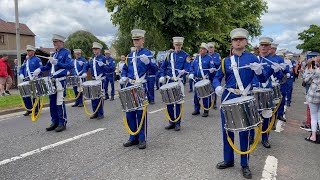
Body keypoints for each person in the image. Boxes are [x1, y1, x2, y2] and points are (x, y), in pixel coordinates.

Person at [213, 28, 269, 179]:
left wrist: (258, 72)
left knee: (245, 132)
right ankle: (229, 159)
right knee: (227, 131)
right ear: (232, 43)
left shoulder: (253, 58)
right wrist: (217, 86)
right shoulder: (225, 61)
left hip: (245, 98)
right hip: (228, 98)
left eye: (240, 40)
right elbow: (217, 77)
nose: (238, 42)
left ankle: (245, 163)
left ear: (245, 42)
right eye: (235, 40)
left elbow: (263, 80)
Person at [120, 29, 157, 149]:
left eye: (138, 39)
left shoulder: (148, 54)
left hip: (141, 85)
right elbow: (125, 69)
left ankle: (142, 139)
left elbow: (155, 70)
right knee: (130, 113)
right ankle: (133, 137)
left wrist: (149, 63)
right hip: (130, 86)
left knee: (140, 113)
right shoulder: (130, 55)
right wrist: (123, 76)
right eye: (134, 39)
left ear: (143, 40)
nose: (136, 41)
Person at [33, 34, 73, 132]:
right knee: (52, 102)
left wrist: (57, 63)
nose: (54, 43)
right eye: (53, 42)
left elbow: (69, 65)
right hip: (52, 81)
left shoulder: (66, 52)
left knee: (59, 101)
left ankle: (62, 122)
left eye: (56, 42)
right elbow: (47, 67)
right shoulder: (53, 54)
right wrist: (39, 69)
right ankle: (54, 121)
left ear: (61, 42)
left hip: (60, 81)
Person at [249, 37, 283, 148]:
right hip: (254, 89)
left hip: (267, 90)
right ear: (259, 47)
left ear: (270, 48)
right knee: (252, 114)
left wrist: (278, 71)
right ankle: (251, 136)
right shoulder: (253, 59)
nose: (263, 47)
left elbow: (280, 77)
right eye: (261, 45)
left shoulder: (274, 60)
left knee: (266, 115)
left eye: (266, 45)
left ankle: (265, 138)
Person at [159, 37, 190, 131]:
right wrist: (162, 75)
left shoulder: (185, 55)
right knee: (169, 103)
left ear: (182, 45)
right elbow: (163, 67)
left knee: (178, 103)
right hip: (169, 81)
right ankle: (171, 122)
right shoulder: (169, 55)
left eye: (179, 45)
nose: (178, 46)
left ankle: (178, 123)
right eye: (176, 45)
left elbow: (187, 68)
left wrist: (184, 71)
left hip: (178, 81)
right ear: (174, 45)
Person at [82, 42, 107, 119]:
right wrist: (84, 72)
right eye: (94, 49)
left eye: (96, 49)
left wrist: (104, 65)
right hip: (93, 80)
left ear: (99, 50)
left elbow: (110, 68)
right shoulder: (92, 59)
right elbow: (86, 65)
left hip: (101, 79)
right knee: (93, 96)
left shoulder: (103, 58)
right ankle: (95, 112)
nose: (95, 51)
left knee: (99, 96)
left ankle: (100, 113)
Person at [189, 43, 214, 117]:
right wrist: (191, 73)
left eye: (203, 49)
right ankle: (197, 109)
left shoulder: (209, 58)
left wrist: (212, 69)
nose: (201, 50)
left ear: (206, 50)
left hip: (204, 79)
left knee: (205, 95)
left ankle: (206, 110)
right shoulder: (197, 58)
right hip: (196, 79)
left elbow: (212, 67)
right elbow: (192, 66)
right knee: (196, 96)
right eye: (200, 48)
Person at [19, 45, 42, 116]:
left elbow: (41, 69)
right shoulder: (26, 60)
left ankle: (36, 110)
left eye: (29, 50)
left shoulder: (37, 60)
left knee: (35, 96)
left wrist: (37, 73)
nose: (28, 52)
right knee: (25, 95)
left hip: (34, 79)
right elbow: (21, 69)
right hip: (26, 79)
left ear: (33, 51)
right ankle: (29, 109)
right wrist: (21, 74)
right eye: (27, 50)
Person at [269, 43, 289, 122]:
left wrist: (285, 70)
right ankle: (271, 118)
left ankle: (279, 114)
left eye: (273, 49)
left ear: (275, 50)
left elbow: (285, 69)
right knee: (270, 101)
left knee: (281, 99)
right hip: (269, 82)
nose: (271, 50)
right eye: (271, 48)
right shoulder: (266, 57)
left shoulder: (279, 59)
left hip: (278, 82)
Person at [304, 63, 320, 143]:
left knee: (314, 116)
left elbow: (306, 80)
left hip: (314, 95)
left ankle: (313, 136)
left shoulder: (316, 71)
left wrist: (310, 71)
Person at [207, 42, 221, 109]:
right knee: (208, 89)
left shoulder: (217, 55)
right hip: (208, 75)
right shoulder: (206, 55)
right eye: (209, 48)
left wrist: (213, 63)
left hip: (215, 74)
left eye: (211, 47)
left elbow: (219, 63)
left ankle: (214, 103)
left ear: (214, 48)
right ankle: (209, 102)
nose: (210, 49)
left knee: (215, 89)